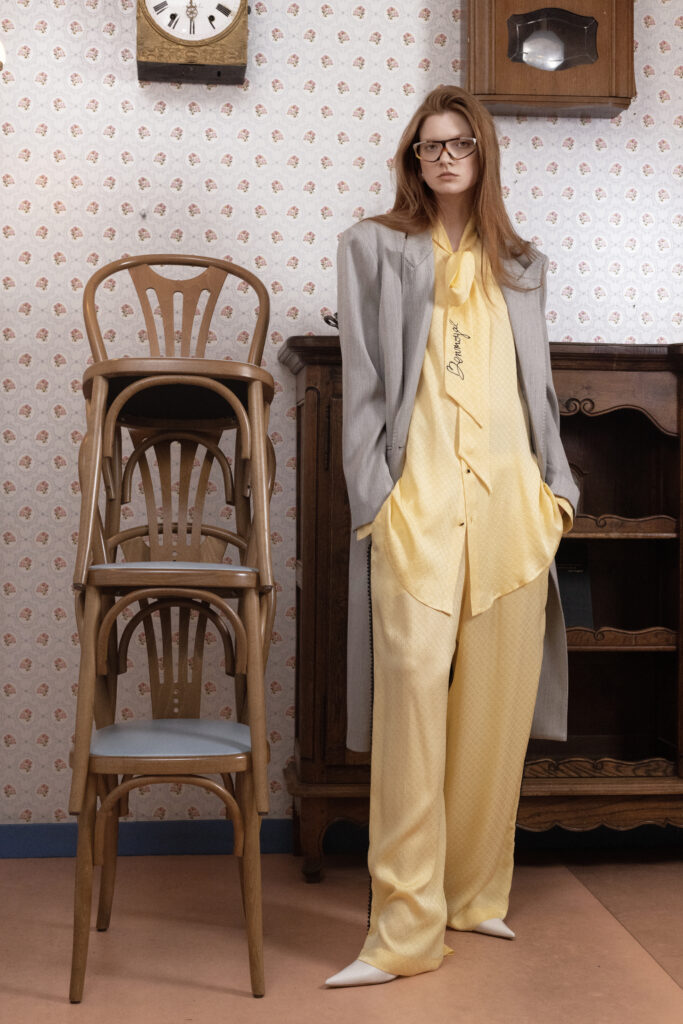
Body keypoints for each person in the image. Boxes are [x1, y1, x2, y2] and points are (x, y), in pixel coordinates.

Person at [326, 85, 579, 988]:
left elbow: (535, 388)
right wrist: (376, 500)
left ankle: (473, 895)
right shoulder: (372, 248)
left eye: (458, 143)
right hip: (420, 504)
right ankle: (400, 932)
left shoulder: (523, 264)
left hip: (511, 508)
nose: (443, 157)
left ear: (482, 154)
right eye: (429, 145)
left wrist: (556, 494)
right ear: (412, 158)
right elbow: (362, 382)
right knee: (410, 711)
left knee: (493, 716)